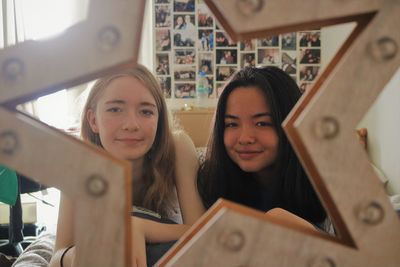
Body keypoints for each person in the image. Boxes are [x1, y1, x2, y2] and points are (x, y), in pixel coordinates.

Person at [49, 64, 204, 267]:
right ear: (93, 120)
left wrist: (138, 227)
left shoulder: (178, 147)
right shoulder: (78, 162)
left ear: (159, 118)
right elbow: (57, 255)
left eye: (146, 112)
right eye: (115, 109)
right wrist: (75, 256)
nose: (131, 124)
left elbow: (204, 233)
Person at [197, 66, 328, 232]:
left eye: (262, 123)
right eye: (232, 124)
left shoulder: (327, 184)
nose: (244, 138)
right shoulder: (211, 180)